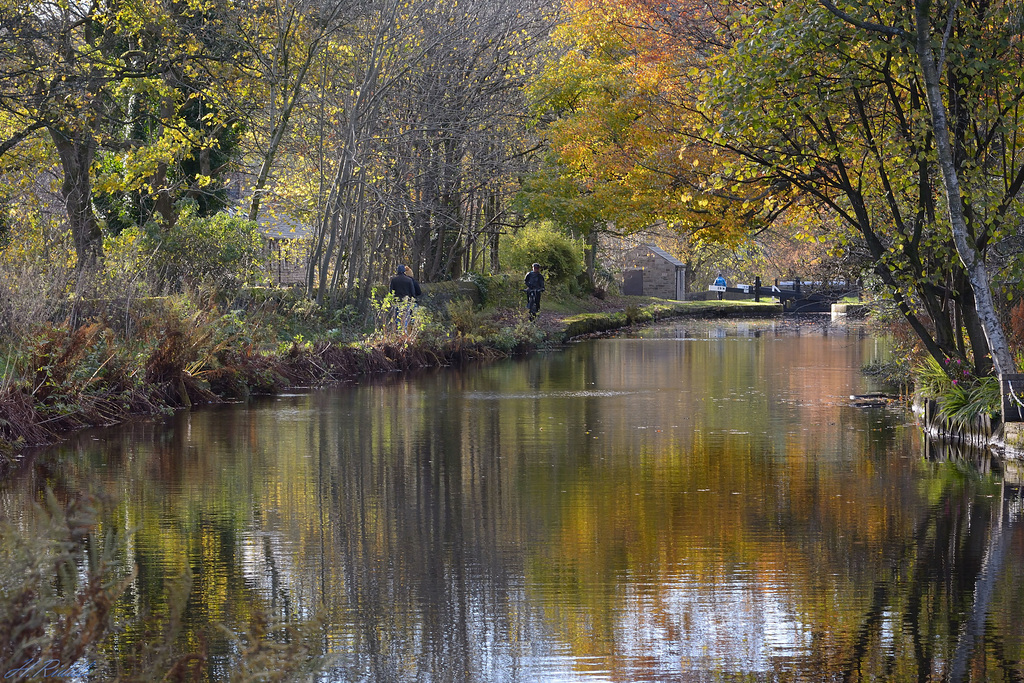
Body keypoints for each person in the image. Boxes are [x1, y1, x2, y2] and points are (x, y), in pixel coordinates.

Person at [388, 265, 421, 331]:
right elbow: (412, 292)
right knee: (406, 318)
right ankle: (404, 332)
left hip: (397, 302)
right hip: (407, 301)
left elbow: (391, 292)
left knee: (398, 318)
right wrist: (412, 299)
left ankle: (398, 331)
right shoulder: (409, 280)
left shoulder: (394, 280)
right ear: (404, 271)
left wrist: (392, 300)